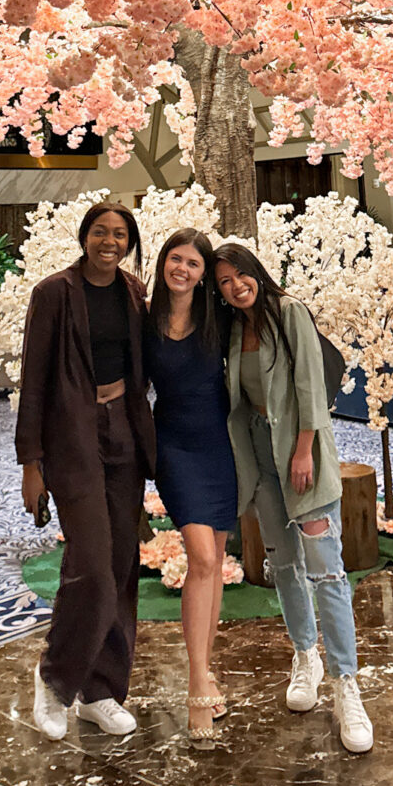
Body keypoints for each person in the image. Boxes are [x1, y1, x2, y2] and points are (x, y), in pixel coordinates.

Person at [213, 241, 374, 755]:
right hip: (257, 455)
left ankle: (347, 684)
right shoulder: (234, 330)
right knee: (283, 564)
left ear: (255, 271)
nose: (236, 286)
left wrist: (304, 451)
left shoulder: (290, 313)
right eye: (223, 283)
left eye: (240, 275)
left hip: (300, 451)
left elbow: (310, 387)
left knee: (325, 567)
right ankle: (306, 655)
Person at [15, 202, 156, 742]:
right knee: (91, 564)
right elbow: (34, 384)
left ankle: (101, 690)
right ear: (84, 236)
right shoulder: (54, 293)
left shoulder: (134, 292)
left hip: (123, 430)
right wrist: (32, 464)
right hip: (71, 439)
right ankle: (54, 680)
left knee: (121, 565)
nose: (110, 241)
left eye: (120, 234)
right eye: (101, 231)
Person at [143, 228, 237, 746]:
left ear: (204, 275)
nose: (183, 269)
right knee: (201, 556)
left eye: (193, 264)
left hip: (220, 445)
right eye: (176, 260)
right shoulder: (146, 318)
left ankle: (206, 668)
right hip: (174, 446)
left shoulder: (215, 318)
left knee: (213, 563)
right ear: (164, 264)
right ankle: (198, 682)